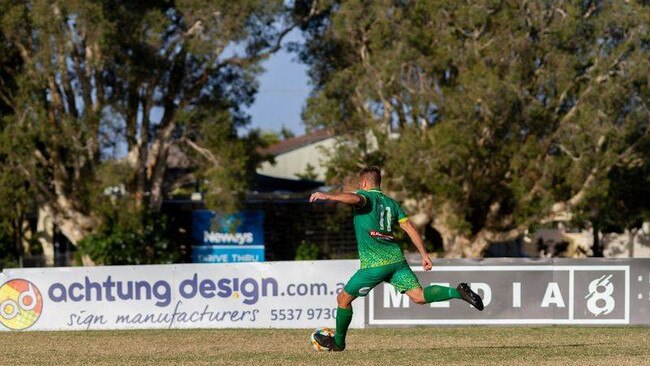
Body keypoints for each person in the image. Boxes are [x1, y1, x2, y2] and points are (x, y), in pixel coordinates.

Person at [309, 167, 483, 352]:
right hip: (396, 260)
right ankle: (458, 292)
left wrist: (329, 196)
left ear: (364, 183)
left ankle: (339, 342)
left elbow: (356, 198)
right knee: (419, 296)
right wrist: (424, 255)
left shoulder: (366, 196)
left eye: (360, 185)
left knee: (343, 299)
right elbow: (409, 228)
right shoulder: (392, 204)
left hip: (375, 264)